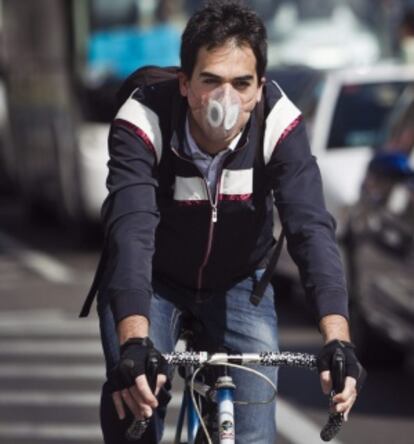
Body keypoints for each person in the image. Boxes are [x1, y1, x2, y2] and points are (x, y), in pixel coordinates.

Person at [80, 1, 366, 442]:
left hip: (239, 282)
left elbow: (310, 228)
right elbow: (132, 231)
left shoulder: (279, 121)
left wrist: (338, 340)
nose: (225, 98)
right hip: (153, 279)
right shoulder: (143, 119)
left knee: (253, 434)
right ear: (184, 83)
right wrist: (134, 343)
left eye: (241, 83)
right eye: (210, 80)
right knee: (134, 409)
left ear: (259, 88)